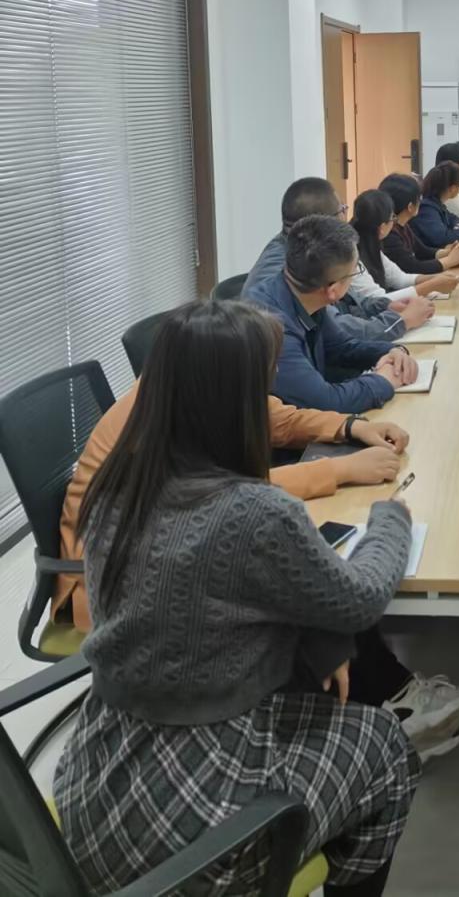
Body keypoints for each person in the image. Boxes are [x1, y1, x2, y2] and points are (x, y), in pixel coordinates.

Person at [53, 299, 418, 897]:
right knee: (386, 746)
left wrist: (322, 639)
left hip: (93, 796)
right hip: (193, 836)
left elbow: (209, 593)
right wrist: (391, 520)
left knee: (315, 676)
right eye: (261, 388)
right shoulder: (254, 512)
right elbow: (361, 601)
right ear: (232, 401)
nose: (267, 400)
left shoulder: (120, 487)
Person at [55, 381, 409, 633]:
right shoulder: (163, 417)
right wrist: (339, 470)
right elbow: (222, 494)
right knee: (309, 592)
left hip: (173, 556)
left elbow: (277, 419)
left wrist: (350, 426)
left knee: (311, 584)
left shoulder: (192, 382)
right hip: (115, 583)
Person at [245, 215, 419, 412]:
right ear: (333, 290)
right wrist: (384, 380)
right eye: (355, 272)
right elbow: (325, 402)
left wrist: (392, 351)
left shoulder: (303, 292)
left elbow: (341, 347)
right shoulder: (272, 327)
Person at [245, 177, 433, 337]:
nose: (346, 218)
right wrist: (399, 322)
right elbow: (336, 329)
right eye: (342, 209)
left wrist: (386, 306)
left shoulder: (313, 250)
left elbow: (349, 303)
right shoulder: (291, 267)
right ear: (323, 222)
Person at [350, 190, 459, 298]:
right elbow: (379, 300)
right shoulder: (351, 257)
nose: (394, 222)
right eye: (392, 218)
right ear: (382, 228)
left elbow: (400, 279)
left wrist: (436, 278)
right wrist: (431, 286)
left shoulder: (371, 245)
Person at [379, 173, 459, 274]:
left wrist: (446, 253)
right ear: (410, 207)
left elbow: (421, 251)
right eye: (419, 198)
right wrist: (450, 261)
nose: (421, 201)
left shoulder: (403, 225)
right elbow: (413, 268)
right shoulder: (389, 234)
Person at [411, 162, 459, 245]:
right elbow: (442, 237)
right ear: (452, 188)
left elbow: (453, 219)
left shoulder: (437, 204)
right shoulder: (426, 208)